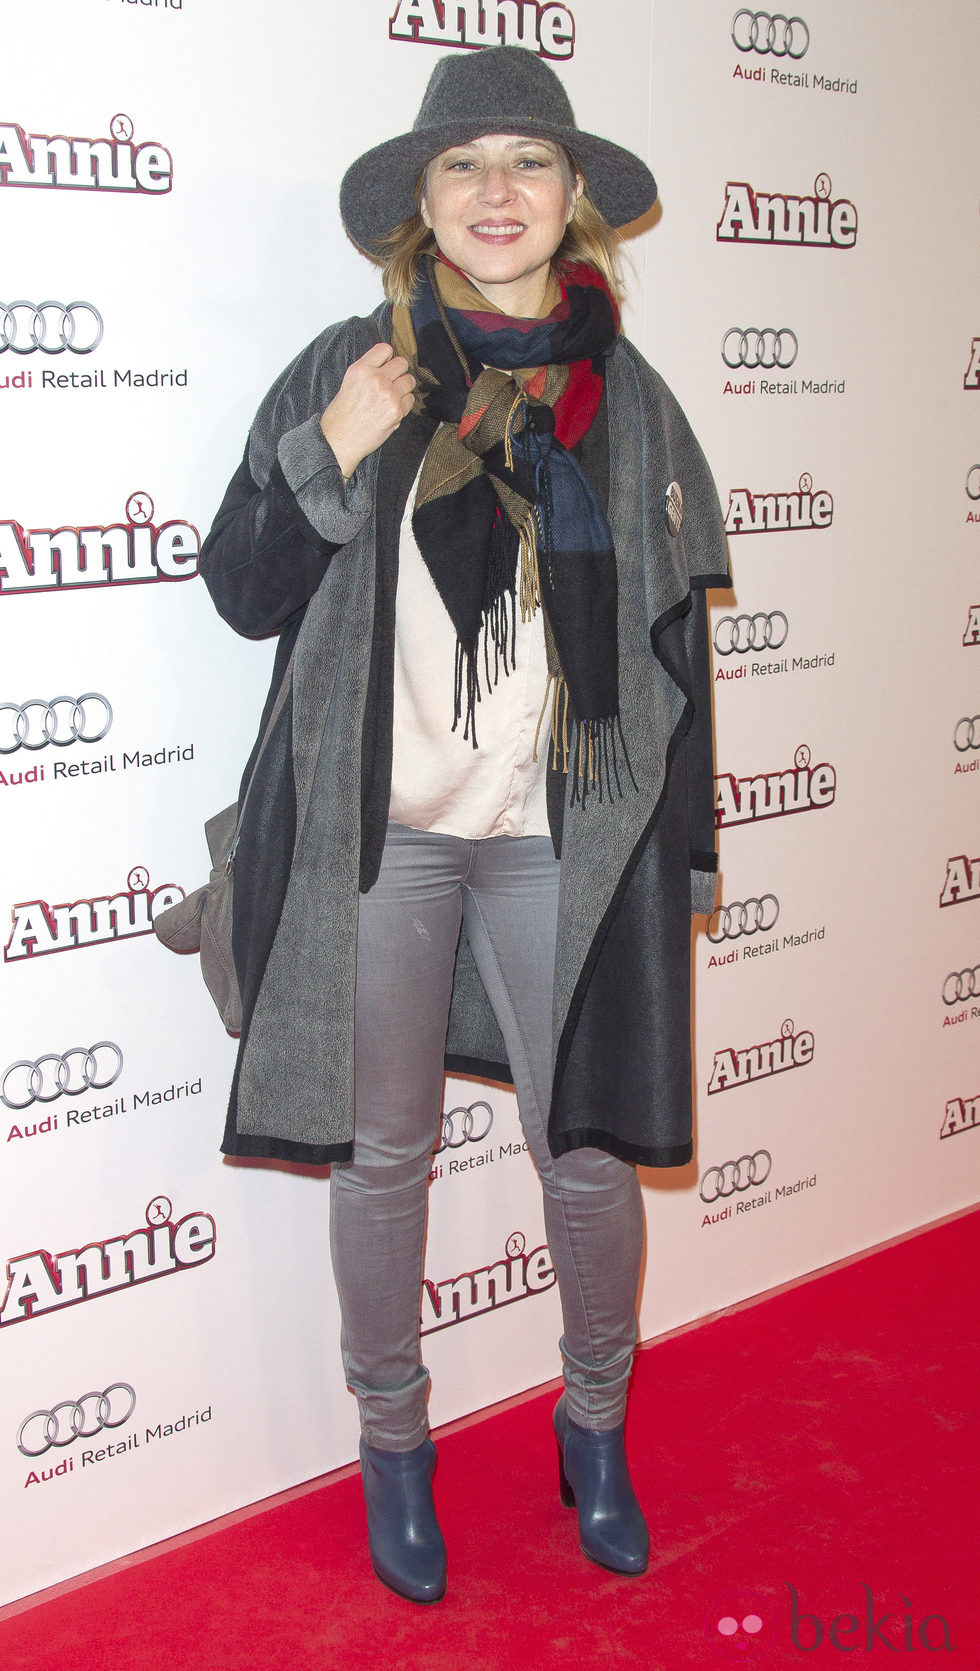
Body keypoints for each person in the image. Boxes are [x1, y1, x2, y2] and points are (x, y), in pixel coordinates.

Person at [200, 45, 729, 1604]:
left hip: (558, 829)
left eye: (530, 163)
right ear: (418, 211)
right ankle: (394, 1445)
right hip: (387, 835)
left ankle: (596, 1425)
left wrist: (686, 848)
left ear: (574, 204)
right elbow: (242, 592)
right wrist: (340, 448)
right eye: (464, 166)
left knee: (586, 1152)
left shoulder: (626, 400)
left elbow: (673, 653)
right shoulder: (339, 369)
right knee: (386, 1154)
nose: (499, 193)